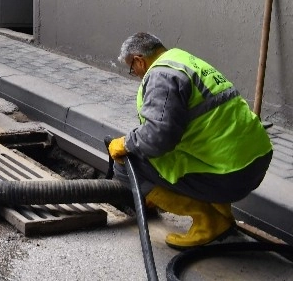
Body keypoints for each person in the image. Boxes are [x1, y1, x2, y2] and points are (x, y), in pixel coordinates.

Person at [108, 32, 273, 249]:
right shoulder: (184, 60)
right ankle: (222, 214)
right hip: (254, 161)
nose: (135, 73)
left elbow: (157, 138)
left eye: (132, 68)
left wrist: (126, 143)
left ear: (139, 60)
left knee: (127, 164)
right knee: (188, 148)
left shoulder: (161, 76)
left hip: (230, 175)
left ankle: (208, 221)